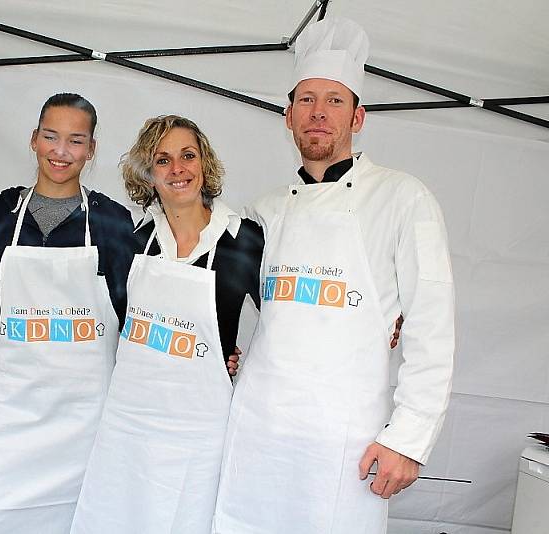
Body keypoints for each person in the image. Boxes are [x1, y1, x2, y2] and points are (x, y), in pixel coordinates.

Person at [212, 18, 455, 533]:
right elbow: (222, 300)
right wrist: (221, 353)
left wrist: (407, 440)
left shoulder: (403, 198)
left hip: (344, 440)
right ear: (287, 116)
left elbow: (432, 329)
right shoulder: (264, 211)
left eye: (334, 100)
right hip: (257, 427)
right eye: (305, 100)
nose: (318, 113)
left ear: (358, 116)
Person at [70, 115, 263, 534]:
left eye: (187, 156)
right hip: (130, 425)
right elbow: (110, 327)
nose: (178, 169)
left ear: (204, 164)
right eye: (163, 160)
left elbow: (285, 324)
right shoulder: (132, 243)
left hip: (202, 431)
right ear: (149, 173)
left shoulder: (245, 240)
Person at [0, 93, 136, 533]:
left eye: (76, 141)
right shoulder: (0, 212)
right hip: (11, 409)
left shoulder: (112, 221)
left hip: (84, 416)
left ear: (91, 149)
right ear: (34, 140)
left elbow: (130, 313)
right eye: (51, 137)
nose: (61, 151)